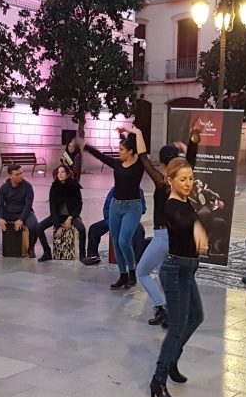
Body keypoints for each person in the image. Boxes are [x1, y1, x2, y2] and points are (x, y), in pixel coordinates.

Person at [149, 158, 209, 397]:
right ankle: (158, 379)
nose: (188, 183)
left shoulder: (186, 200)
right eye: (182, 179)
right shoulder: (170, 204)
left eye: (191, 178)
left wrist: (194, 137)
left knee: (196, 317)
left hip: (187, 270)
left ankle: (173, 358)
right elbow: (180, 222)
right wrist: (196, 227)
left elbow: (187, 162)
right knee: (176, 327)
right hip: (174, 271)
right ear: (170, 181)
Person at [137, 123, 202, 328]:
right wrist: (194, 135)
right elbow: (191, 160)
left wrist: (138, 132)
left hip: (164, 237)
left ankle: (161, 308)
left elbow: (143, 159)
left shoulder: (162, 182)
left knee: (142, 272)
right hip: (179, 238)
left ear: (162, 162)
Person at [83, 125, 153, 289]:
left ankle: (132, 273)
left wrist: (137, 131)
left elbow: (142, 152)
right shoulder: (117, 164)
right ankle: (122, 275)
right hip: (116, 206)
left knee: (124, 242)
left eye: (122, 149)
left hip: (132, 207)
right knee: (116, 241)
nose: (119, 152)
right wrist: (85, 146)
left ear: (130, 152)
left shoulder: (139, 165)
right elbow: (100, 156)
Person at [0, 165, 39, 259]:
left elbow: (28, 205)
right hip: (8, 211)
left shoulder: (27, 186)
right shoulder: (4, 187)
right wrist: (0, 218)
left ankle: (31, 248)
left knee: (34, 226)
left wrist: (21, 219)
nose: (21, 176)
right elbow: (0, 205)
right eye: (17, 174)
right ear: (10, 176)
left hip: (24, 212)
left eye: (21, 173)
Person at [82, 187, 147, 265]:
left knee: (140, 230)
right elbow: (106, 207)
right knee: (94, 228)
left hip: (130, 221)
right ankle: (93, 256)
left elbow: (143, 209)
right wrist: (110, 221)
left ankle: (136, 259)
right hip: (113, 220)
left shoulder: (138, 191)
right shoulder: (115, 190)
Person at [35, 164, 86, 262]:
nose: (60, 174)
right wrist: (57, 226)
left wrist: (70, 218)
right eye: (58, 172)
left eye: (62, 172)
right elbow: (52, 208)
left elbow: (79, 204)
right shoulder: (54, 187)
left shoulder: (74, 185)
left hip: (71, 215)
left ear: (67, 174)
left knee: (82, 228)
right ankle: (47, 252)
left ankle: (82, 255)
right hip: (58, 215)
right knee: (39, 227)